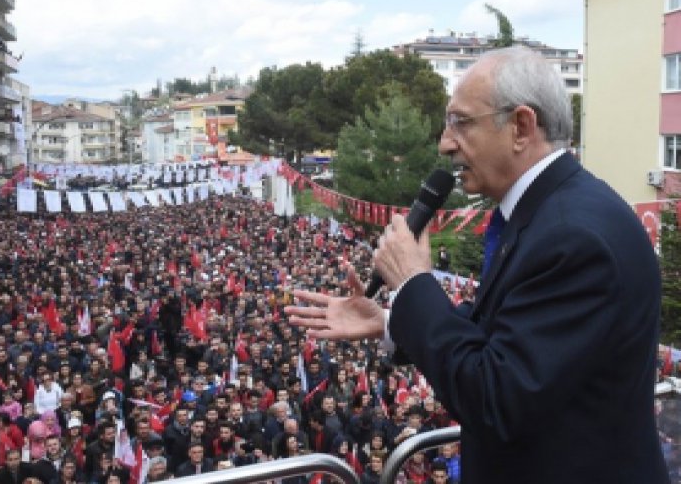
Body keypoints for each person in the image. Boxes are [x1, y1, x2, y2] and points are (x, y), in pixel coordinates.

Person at [286, 45, 668, 483]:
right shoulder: (549, 212)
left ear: (521, 126)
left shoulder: (573, 235)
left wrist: (413, 282)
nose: (445, 143)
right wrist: (393, 319)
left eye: (461, 123)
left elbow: (496, 396)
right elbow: (504, 335)